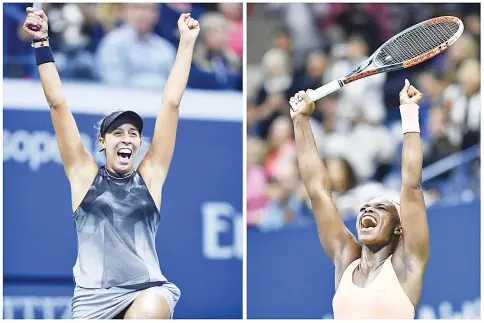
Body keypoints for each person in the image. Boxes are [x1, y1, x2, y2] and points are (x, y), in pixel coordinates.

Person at [23, 7, 200, 319]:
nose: (127, 138)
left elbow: (171, 103)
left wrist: (186, 44)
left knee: (153, 304)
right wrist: (41, 43)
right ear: (102, 142)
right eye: (118, 132)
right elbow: (57, 104)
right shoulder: (83, 175)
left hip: (145, 290)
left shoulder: (151, 176)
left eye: (134, 133)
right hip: (92, 301)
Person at [289, 80, 429, 319]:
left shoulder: (407, 263)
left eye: (380, 207)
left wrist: (408, 112)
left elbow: (411, 183)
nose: (367, 210)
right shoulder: (345, 259)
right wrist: (300, 120)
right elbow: (318, 192)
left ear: (399, 228)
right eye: (364, 207)